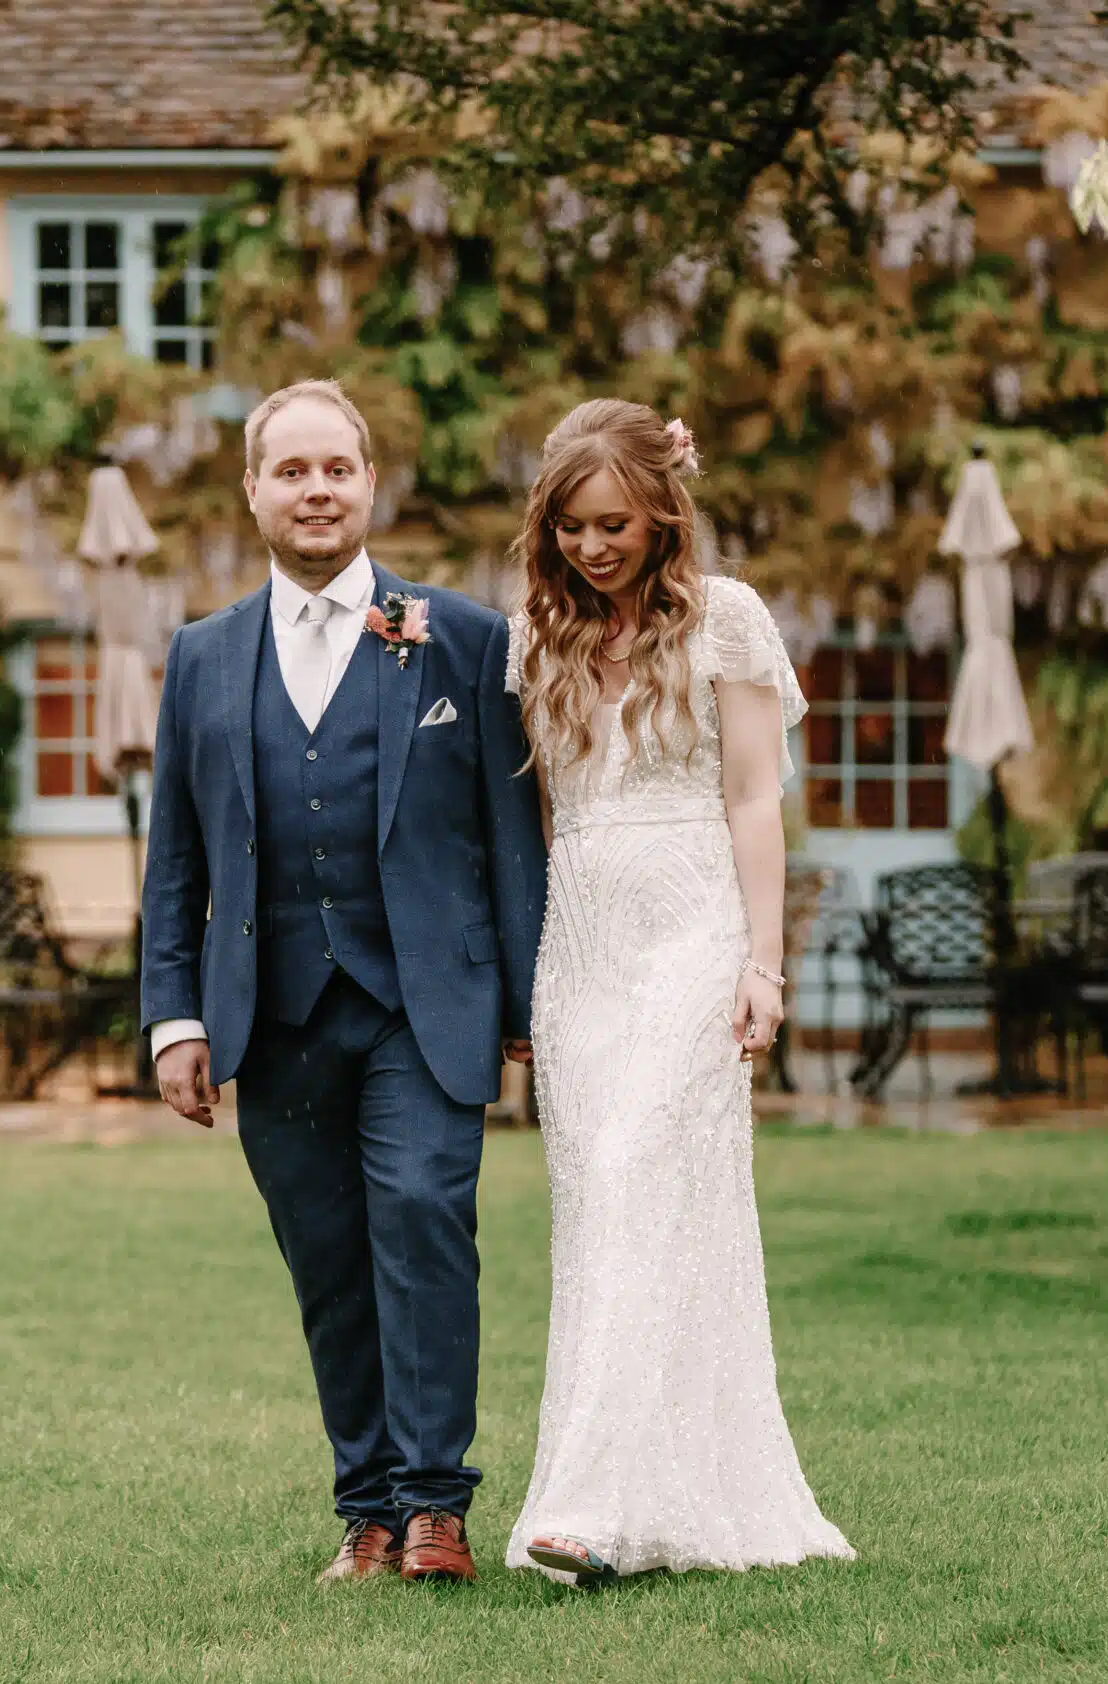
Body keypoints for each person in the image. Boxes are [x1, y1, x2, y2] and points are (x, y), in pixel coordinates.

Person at [141, 378, 547, 1585]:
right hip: (270, 1013)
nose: (316, 490)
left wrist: (528, 1010)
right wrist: (173, 1015)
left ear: (371, 484)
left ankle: (436, 1509)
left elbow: (512, 836)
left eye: (338, 469)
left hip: (424, 1010)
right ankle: (365, 1510)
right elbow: (176, 858)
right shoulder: (201, 657)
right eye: (291, 470)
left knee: (423, 1223)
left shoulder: (462, 638)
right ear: (252, 491)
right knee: (325, 1258)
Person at [502, 398, 857, 1585]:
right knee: (607, 1211)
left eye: (612, 525)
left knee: (635, 1170)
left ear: (662, 514)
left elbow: (756, 802)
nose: (591, 549)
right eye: (569, 529)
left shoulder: (728, 623)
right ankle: (667, 1497)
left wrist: (763, 964)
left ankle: (590, 1510)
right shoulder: (534, 636)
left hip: (695, 930)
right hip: (583, 951)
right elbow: (544, 816)